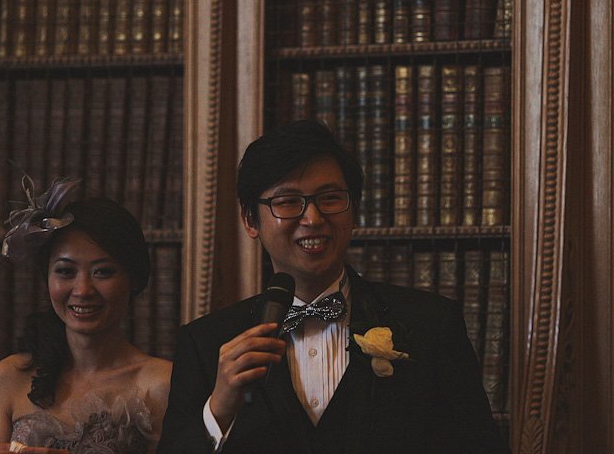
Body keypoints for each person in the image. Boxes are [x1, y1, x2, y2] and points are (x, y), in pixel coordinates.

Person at [158, 120, 509, 453]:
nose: (312, 219)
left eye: (330, 198)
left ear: (353, 210)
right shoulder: (205, 344)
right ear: (251, 220)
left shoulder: (431, 325)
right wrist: (218, 411)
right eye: (288, 202)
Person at [0, 177, 173, 454]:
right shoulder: (9, 377)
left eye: (102, 272)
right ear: (46, 277)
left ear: (133, 278)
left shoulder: (162, 382)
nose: (82, 290)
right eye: (65, 271)